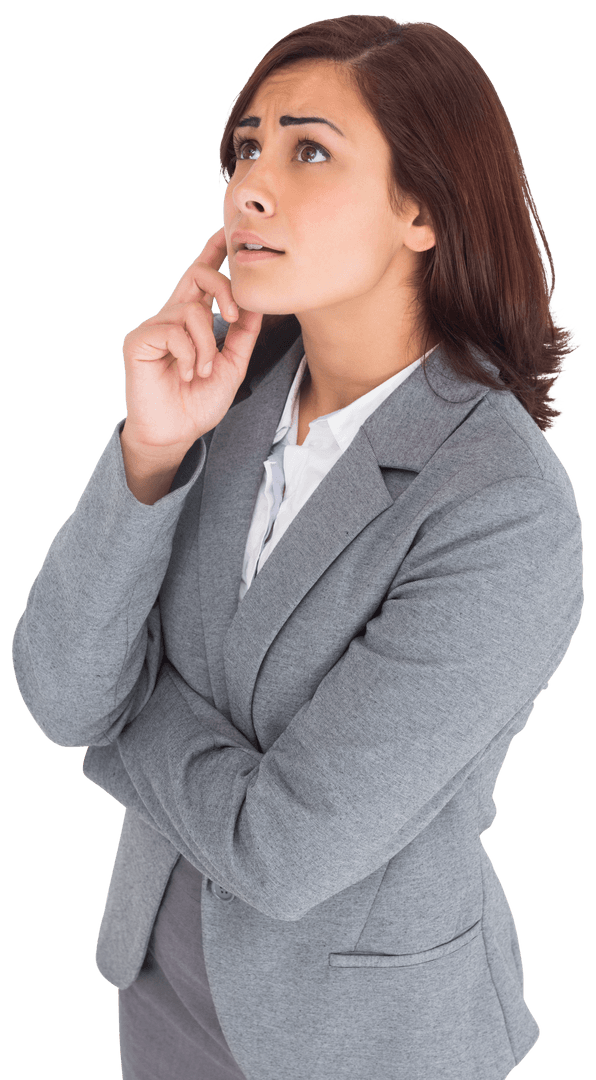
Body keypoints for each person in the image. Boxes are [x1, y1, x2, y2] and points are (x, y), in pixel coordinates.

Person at [11, 14, 584, 1080]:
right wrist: (150, 448)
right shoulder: (221, 408)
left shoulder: (501, 506)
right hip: (159, 989)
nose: (250, 189)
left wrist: (126, 715)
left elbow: (283, 853)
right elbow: (55, 688)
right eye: (245, 149)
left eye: (308, 149)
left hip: (361, 1039)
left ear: (421, 207)